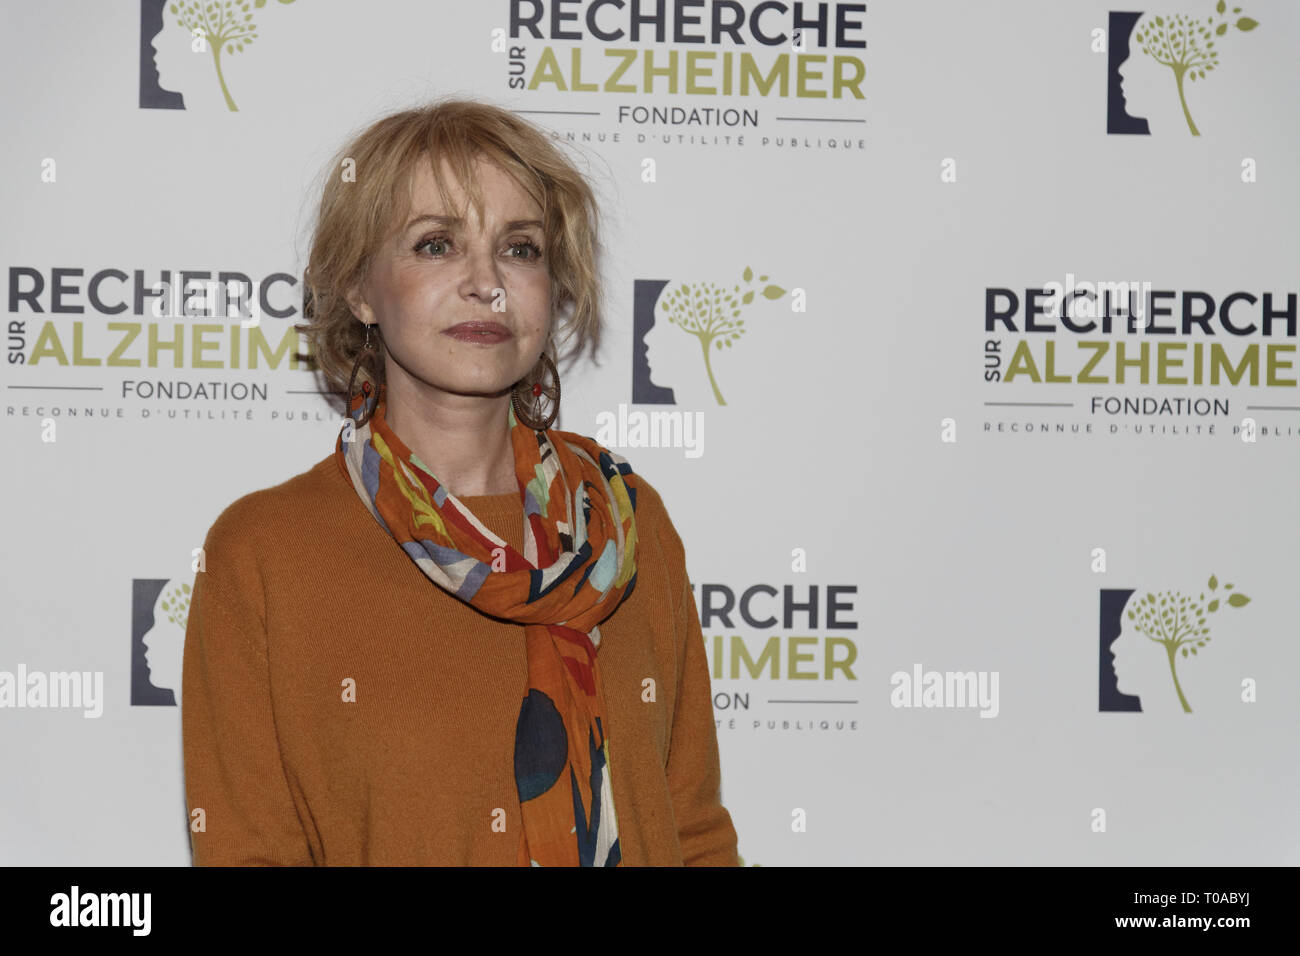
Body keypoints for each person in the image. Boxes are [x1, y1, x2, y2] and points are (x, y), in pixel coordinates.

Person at [181, 96, 740, 866]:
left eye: (520, 249)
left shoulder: (624, 520)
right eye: (437, 244)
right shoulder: (265, 551)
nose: (488, 284)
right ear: (359, 290)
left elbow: (695, 834)